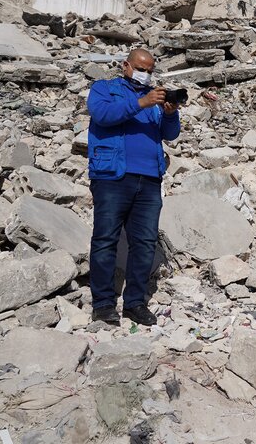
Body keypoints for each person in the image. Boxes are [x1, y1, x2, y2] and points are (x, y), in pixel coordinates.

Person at [86, 48, 181, 325]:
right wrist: (142, 102)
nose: (146, 74)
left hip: (150, 179)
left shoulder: (154, 98)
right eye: (141, 68)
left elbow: (170, 135)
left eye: (151, 70)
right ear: (126, 65)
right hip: (112, 176)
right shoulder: (105, 89)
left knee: (145, 243)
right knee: (105, 240)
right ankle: (103, 304)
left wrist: (170, 113)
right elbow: (102, 115)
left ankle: (135, 303)